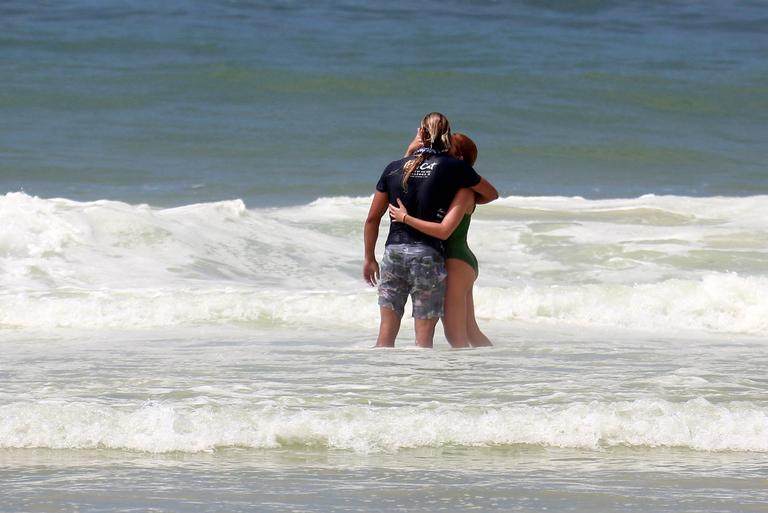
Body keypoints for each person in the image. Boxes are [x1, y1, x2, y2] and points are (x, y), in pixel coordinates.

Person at [363, 113, 498, 348]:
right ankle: (475, 374)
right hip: (429, 257)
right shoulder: (451, 173)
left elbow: (376, 214)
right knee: (439, 338)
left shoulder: (399, 169)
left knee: (388, 338)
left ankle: (381, 382)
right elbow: (413, 180)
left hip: (407, 255)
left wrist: (370, 256)